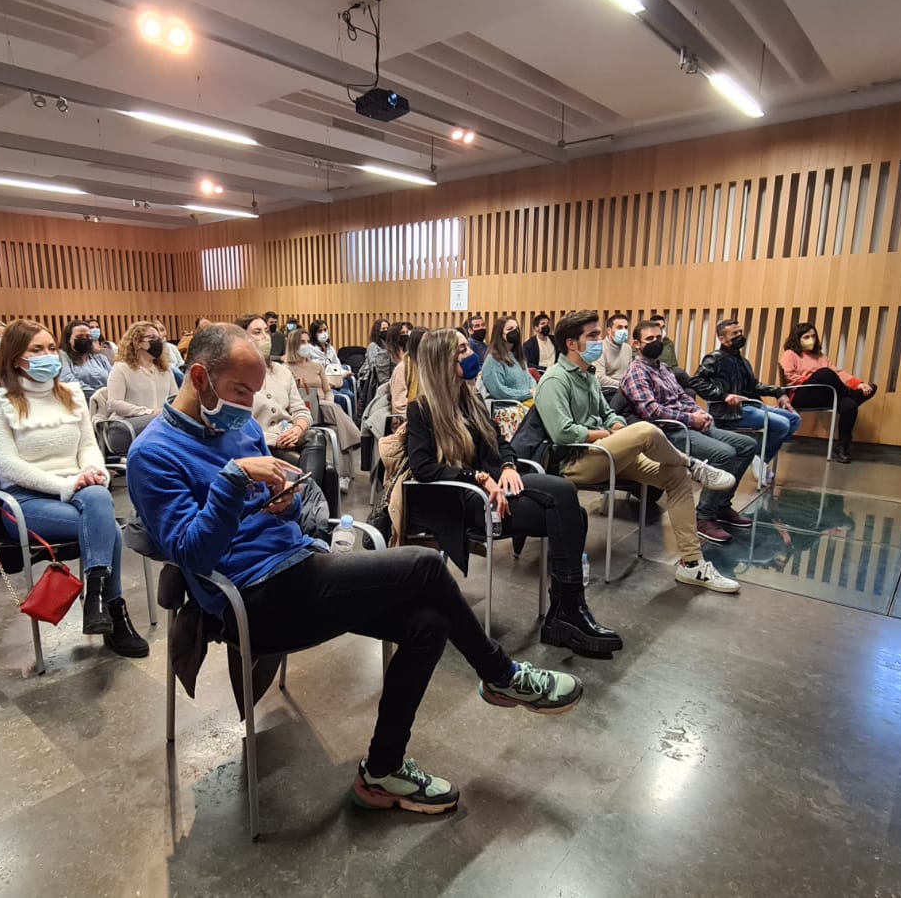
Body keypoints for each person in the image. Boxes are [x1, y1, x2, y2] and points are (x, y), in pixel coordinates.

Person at [128, 323, 583, 815]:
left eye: (255, 392)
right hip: (252, 600)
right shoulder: (152, 455)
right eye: (241, 391)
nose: (248, 405)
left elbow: (252, 509)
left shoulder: (241, 427)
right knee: (427, 566)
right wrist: (234, 480)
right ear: (199, 377)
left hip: (297, 566)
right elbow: (192, 553)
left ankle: (382, 771)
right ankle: (500, 674)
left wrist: (277, 502)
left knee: (428, 623)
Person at [409, 328, 622, 657]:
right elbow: (422, 468)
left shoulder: (472, 400)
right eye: (462, 351)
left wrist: (508, 467)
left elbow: (503, 445)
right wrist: (478, 477)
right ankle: (566, 613)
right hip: (463, 502)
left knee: (570, 508)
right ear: (442, 362)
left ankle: (566, 610)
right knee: (567, 503)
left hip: (497, 488)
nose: (471, 356)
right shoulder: (422, 410)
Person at [534, 312, 741, 593]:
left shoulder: (588, 376)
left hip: (605, 453)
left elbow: (608, 414)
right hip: (576, 461)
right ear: (572, 344)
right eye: (593, 336)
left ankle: (692, 564)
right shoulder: (554, 381)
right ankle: (692, 464)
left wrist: (616, 426)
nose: (599, 340)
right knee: (644, 430)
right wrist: (613, 434)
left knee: (676, 477)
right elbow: (563, 433)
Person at [0, 320, 147, 657]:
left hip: (82, 490)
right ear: (15, 358)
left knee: (99, 495)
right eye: (36, 350)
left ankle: (98, 598)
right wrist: (67, 484)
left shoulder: (70, 394)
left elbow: (88, 446)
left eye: (51, 348)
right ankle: (112, 608)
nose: (48, 355)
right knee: (109, 529)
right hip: (24, 500)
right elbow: (7, 465)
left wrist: (93, 471)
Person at [621, 320, 759, 544]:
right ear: (637, 344)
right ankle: (703, 517)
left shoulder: (663, 369)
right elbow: (652, 411)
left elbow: (683, 397)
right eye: (649, 339)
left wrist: (701, 414)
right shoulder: (636, 372)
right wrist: (690, 419)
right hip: (668, 432)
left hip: (688, 424)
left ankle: (721, 506)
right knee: (725, 454)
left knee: (747, 445)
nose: (656, 343)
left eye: (658, 338)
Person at [237, 315, 337, 507]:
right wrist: (276, 438)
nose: (265, 336)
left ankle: (307, 504)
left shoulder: (282, 372)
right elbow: (239, 425)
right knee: (328, 471)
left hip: (290, 435)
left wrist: (297, 430)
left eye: (266, 331)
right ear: (243, 339)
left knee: (316, 436)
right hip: (261, 444)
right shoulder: (238, 375)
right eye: (257, 332)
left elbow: (302, 410)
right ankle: (310, 508)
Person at [692, 319, 799, 470]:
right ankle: (759, 459)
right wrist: (724, 396)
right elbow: (696, 381)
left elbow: (753, 385)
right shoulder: (714, 358)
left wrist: (778, 392)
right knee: (783, 424)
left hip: (751, 405)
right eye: (734, 333)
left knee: (794, 419)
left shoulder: (742, 360)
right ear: (722, 339)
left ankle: (760, 459)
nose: (739, 336)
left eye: (740, 332)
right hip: (730, 411)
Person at [780, 322, 876, 463]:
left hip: (823, 394)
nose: (811, 339)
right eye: (806, 337)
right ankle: (851, 394)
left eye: (813, 336)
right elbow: (788, 376)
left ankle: (842, 447)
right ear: (797, 338)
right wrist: (813, 377)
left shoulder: (820, 356)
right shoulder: (790, 354)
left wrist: (858, 383)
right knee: (824, 373)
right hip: (801, 395)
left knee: (849, 405)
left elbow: (837, 373)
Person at [287, 327, 361, 493]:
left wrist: (327, 401)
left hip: (324, 407)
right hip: (302, 411)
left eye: (307, 342)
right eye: (302, 342)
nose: (306, 345)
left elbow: (328, 390)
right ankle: (356, 436)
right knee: (336, 415)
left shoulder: (317, 366)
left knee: (337, 429)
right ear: (293, 345)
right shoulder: (286, 368)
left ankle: (343, 476)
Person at [102, 320, 178, 439]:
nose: (157, 342)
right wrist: (148, 412)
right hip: (128, 426)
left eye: (159, 338)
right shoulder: (121, 368)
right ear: (137, 343)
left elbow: (174, 398)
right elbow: (114, 403)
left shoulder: (165, 369)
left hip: (159, 423)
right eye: (152, 338)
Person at [480, 316, 537, 402]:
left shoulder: (518, 356)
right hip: (509, 408)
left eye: (517, 328)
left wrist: (534, 390)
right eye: (510, 329)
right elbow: (499, 391)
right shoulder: (492, 360)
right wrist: (528, 393)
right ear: (500, 334)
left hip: (527, 403)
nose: (515, 332)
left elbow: (529, 378)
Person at [304, 318, 354, 410]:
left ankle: (353, 421)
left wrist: (344, 373)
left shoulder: (330, 349)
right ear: (314, 334)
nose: (324, 333)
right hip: (321, 387)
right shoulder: (309, 350)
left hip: (335, 382)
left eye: (325, 330)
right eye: (320, 331)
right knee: (344, 398)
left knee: (350, 395)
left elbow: (337, 365)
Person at [59, 320, 111, 395]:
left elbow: (114, 379)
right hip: (81, 402)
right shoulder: (63, 356)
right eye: (79, 336)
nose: (85, 339)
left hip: (107, 402)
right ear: (68, 340)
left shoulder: (101, 358)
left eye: (88, 336)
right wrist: (99, 396)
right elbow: (68, 381)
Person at [596, 313, 634, 389]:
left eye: (626, 327)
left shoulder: (627, 348)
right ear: (609, 330)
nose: (624, 331)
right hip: (607, 391)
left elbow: (629, 373)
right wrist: (623, 385)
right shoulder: (598, 347)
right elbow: (599, 378)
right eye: (619, 327)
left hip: (625, 389)